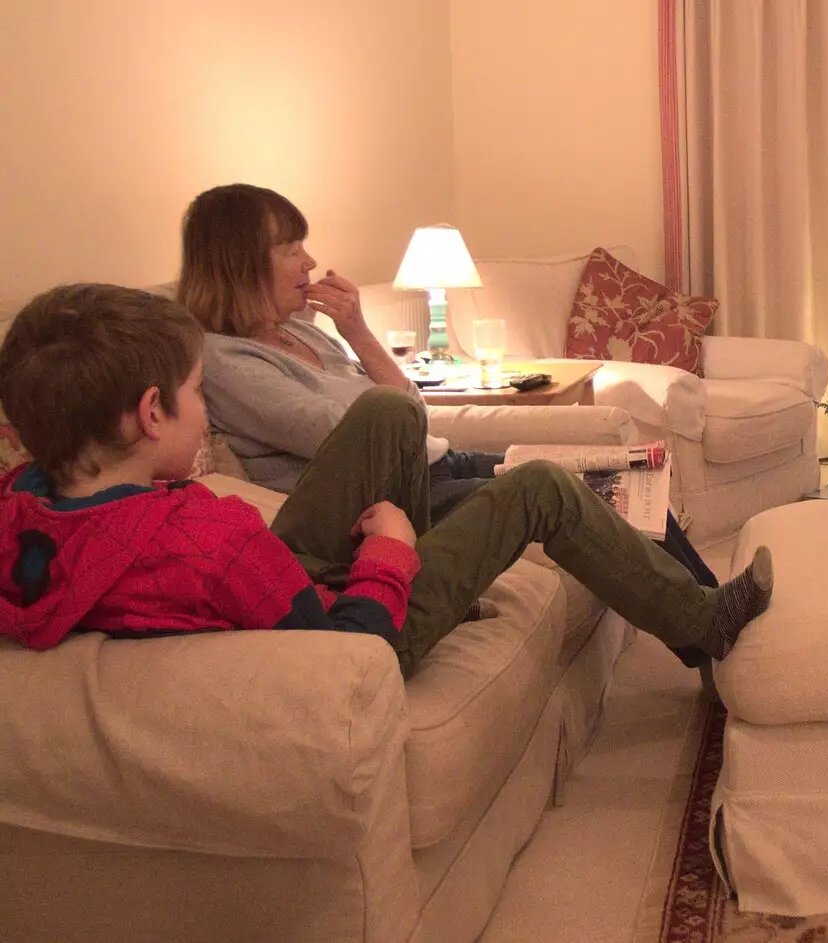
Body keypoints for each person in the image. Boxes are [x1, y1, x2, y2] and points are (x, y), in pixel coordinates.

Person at [0, 284, 773, 676]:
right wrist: (392, 555)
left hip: (268, 588)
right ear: (150, 414)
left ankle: (451, 563)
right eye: (197, 394)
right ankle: (703, 623)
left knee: (385, 413)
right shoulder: (214, 538)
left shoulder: (26, 504)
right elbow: (346, 654)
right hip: (365, 628)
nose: (206, 411)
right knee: (540, 485)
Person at [174, 183, 741, 679]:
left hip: (437, 463)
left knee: (626, 480)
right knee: (572, 490)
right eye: (291, 249)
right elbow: (351, 431)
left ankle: (714, 624)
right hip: (390, 501)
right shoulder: (227, 361)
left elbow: (410, 407)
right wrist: (395, 406)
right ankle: (715, 632)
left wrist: (358, 333)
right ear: (242, 264)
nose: (310, 261)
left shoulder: (308, 334)